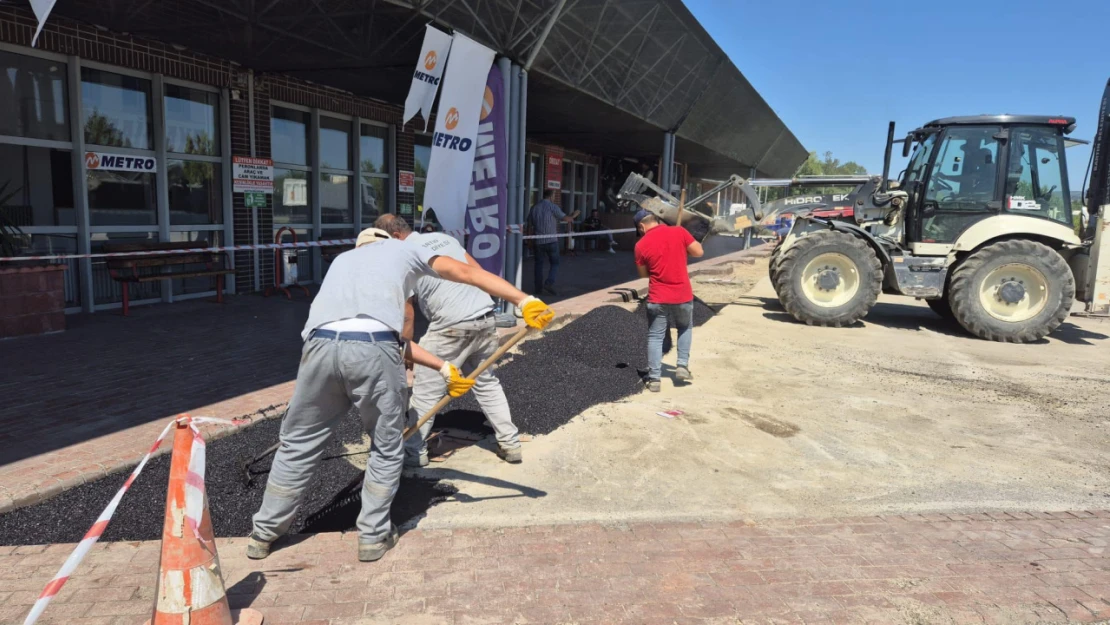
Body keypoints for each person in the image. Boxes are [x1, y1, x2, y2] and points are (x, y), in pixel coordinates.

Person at [248, 227, 554, 563]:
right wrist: (523, 299)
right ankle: (374, 536)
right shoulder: (404, 250)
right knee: (386, 445)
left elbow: (369, 331)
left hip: (319, 347)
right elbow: (467, 272)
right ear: (391, 241)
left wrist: (442, 368)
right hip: (374, 350)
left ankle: (264, 535)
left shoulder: (342, 262)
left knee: (298, 444)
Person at [374, 215, 522, 466]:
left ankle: (413, 452)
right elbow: (476, 271)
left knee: (426, 392)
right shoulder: (443, 238)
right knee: (486, 384)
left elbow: (407, 315)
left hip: (450, 327)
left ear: (395, 236)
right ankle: (511, 444)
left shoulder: (402, 256)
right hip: (484, 318)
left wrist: (406, 352)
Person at [633, 209, 704, 393]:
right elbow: (699, 252)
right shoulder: (679, 232)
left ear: (642, 226)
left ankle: (655, 379)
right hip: (682, 294)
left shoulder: (640, 245)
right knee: (684, 327)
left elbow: (643, 274)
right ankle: (681, 366)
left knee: (656, 336)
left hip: (658, 296)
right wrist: (682, 248)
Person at [526, 188, 573, 295]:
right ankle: (549, 283)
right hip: (551, 241)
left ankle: (538, 289)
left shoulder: (534, 207)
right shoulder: (553, 207)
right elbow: (566, 219)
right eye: (554, 196)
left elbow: (529, 225)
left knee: (538, 264)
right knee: (555, 263)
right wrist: (572, 216)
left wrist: (529, 240)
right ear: (551, 196)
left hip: (538, 241)